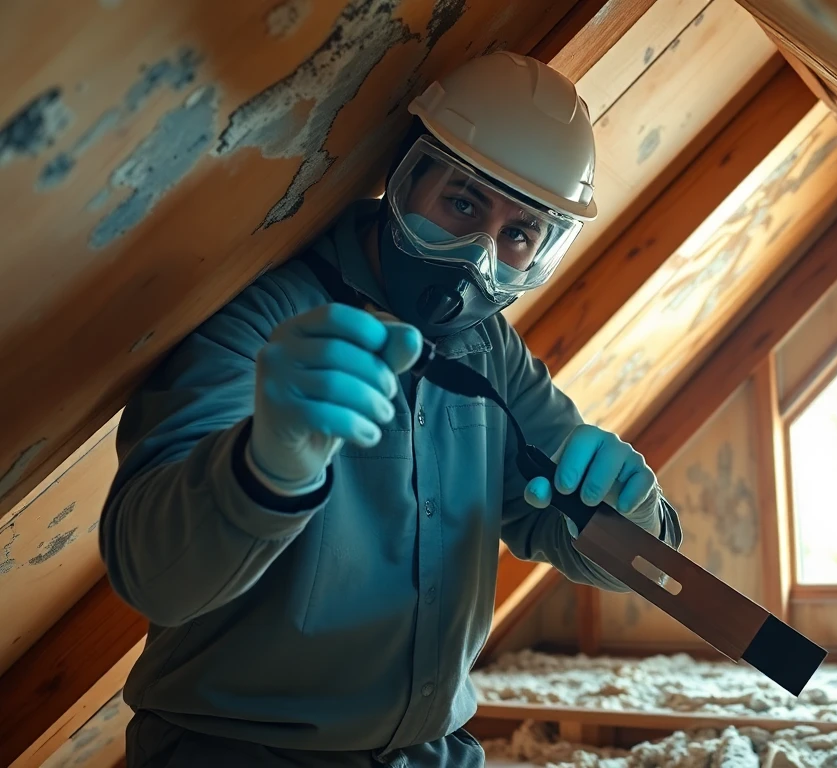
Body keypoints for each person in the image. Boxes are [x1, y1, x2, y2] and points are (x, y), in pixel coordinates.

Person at [100, 51, 683, 768]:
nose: (480, 258)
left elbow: (582, 536)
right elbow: (153, 577)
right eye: (462, 204)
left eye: (519, 235)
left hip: (432, 752)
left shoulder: (488, 348)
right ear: (404, 180)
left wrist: (632, 514)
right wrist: (265, 468)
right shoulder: (257, 323)